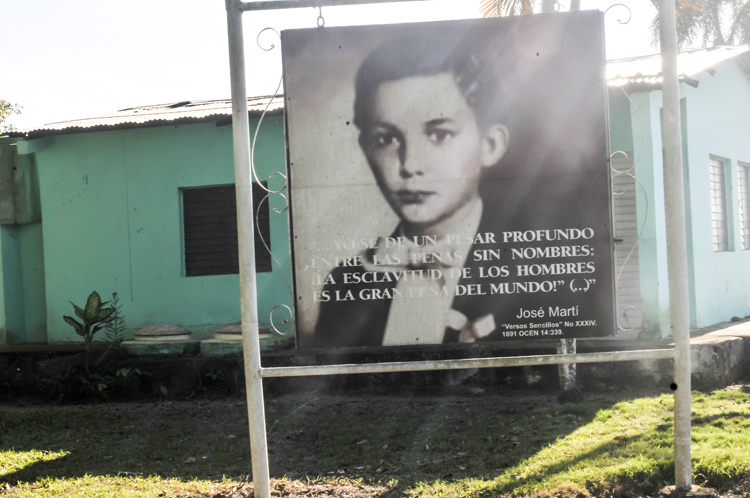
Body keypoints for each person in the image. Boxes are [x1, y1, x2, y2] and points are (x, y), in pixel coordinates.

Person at [306, 35, 511, 349]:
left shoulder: (529, 269)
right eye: (386, 139)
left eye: (439, 134)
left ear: (490, 145)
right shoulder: (344, 286)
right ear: (365, 148)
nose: (410, 165)